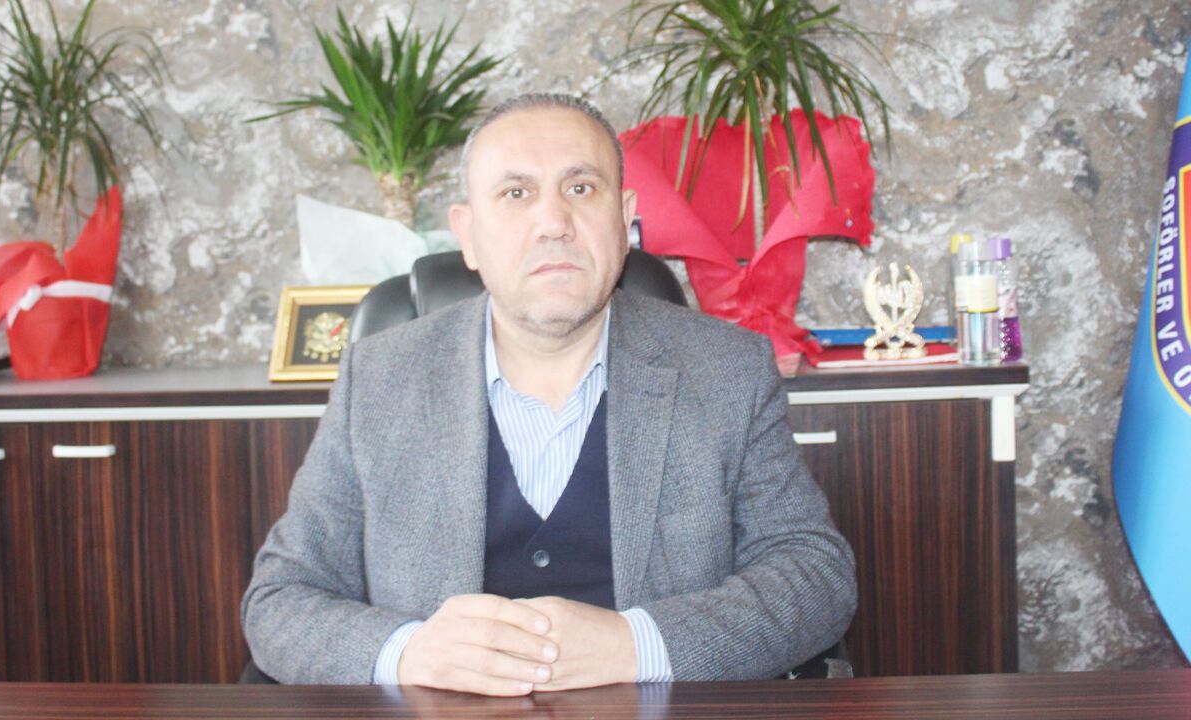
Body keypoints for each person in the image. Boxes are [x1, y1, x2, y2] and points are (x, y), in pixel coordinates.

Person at [241, 93, 855, 696]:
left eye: (581, 188)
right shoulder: (380, 379)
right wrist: (408, 651)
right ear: (468, 235)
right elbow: (280, 597)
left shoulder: (726, 370)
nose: (554, 222)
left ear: (625, 219)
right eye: (516, 193)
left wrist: (638, 644)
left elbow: (815, 574)